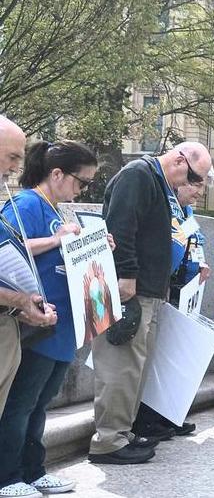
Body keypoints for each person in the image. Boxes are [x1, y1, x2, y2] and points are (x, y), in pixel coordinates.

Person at [90, 142, 213, 465]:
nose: (191, 185)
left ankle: (123, 431)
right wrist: (127, 273)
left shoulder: (158, 182)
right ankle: (108, 439)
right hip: (131, 289)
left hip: (149, 290)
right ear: (179, 159)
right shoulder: (138, 176)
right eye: (193, 177)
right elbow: (121, 226)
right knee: (121, 365)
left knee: (136, 368)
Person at [0, 141, 102, 497]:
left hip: (60, 323)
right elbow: (10, 250)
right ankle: (9, 476)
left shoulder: (53, 207)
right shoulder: (27, 203)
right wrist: (57, 240)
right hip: (37, 322)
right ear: (56, 173)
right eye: (81, 182)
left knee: (39, 402)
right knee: (22, 402)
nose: (81, 190)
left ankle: (33, 469)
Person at [131, 177, 212, 439]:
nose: (199, 193)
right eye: (195, 186)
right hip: (167, 287)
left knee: (172, 359)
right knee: (156, 357)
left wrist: (200, 264)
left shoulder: (186, 212)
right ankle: (147, 420)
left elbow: (192, 244)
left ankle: (168, 415)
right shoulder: (167, 207)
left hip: (187, 289)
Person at [0, 117, 56, 422]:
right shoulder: (24, 202)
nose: (15, 168)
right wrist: (19, 301)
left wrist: (22, 303)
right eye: (11, 157)